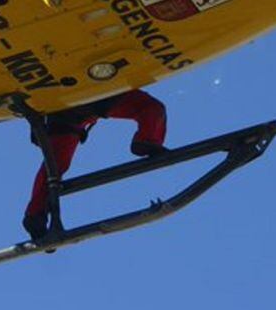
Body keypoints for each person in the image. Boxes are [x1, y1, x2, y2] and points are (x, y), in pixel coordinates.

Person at [23, 89, 168, 240]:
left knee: (55, 165)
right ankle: (147, 139)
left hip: (62, 111)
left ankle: (35, 215)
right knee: (151, 108)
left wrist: (36, 120)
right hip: (94, 94)